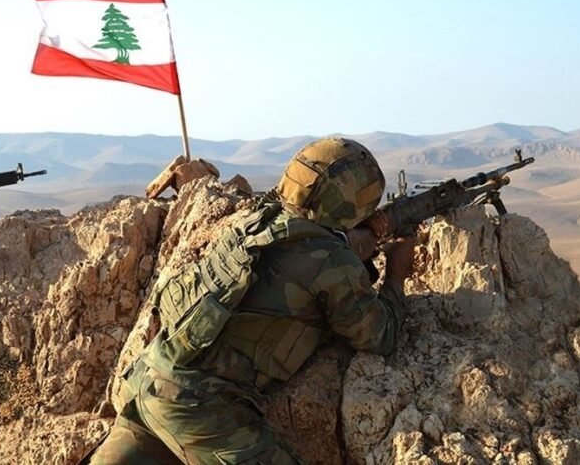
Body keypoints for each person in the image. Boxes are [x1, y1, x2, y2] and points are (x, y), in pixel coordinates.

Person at [88, 137, 416, 464]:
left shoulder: (254, 222)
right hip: (198, 409)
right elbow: (380, 336)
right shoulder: (331, 260)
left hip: (147, 380)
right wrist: (396, 273)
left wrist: (355, 239)